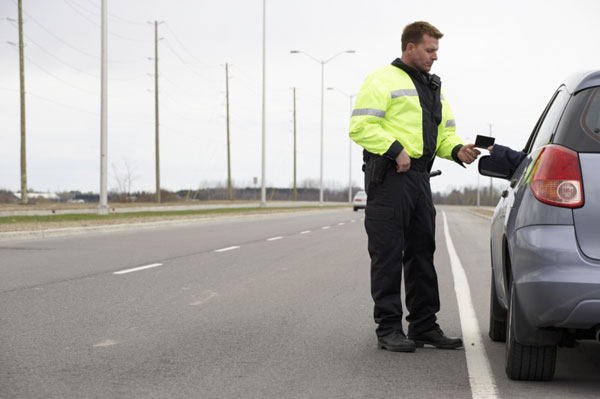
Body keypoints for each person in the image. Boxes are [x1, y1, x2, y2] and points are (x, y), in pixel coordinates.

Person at [349, 21, 480, 352]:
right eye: (430, 50)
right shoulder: (382, 79)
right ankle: (389, 329)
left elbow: (444, 134)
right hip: (390, 177)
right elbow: (361, 126)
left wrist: (458, 150)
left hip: (420, 179)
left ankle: (423, 326)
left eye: (436, 50)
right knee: (388, 255)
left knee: (423, 253)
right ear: (410, 47)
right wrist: (396, 149)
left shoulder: (434, 87)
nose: (435, 57)